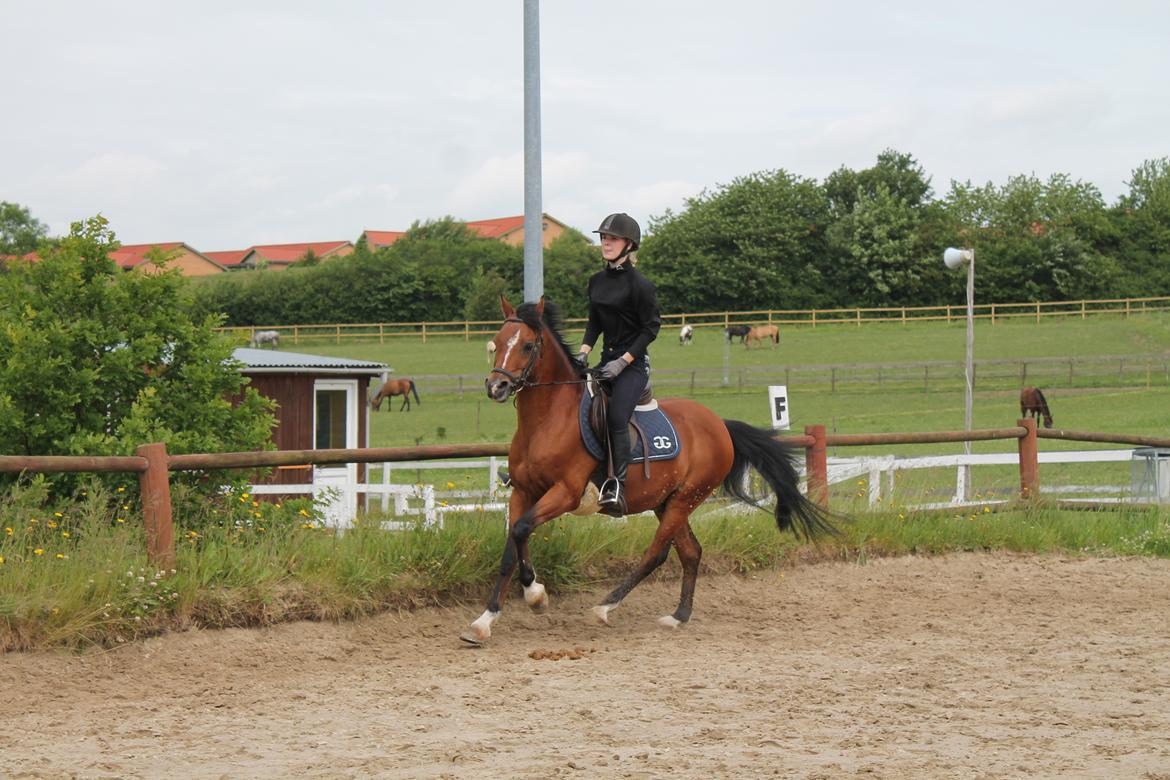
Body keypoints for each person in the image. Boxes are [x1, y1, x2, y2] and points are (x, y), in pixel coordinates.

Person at [575, 213, 660, 516]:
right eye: (603, 238)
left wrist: (623, 363)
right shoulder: (596, 281)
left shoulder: (641, 286)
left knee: (615, 417)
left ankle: (616, 485)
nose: (606, 243)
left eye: (612, 238)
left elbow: (650, 329)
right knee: (575, 406)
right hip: (604, 362)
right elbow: (594, 322)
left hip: (632, 368)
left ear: (629, 244)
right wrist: (583, 352)